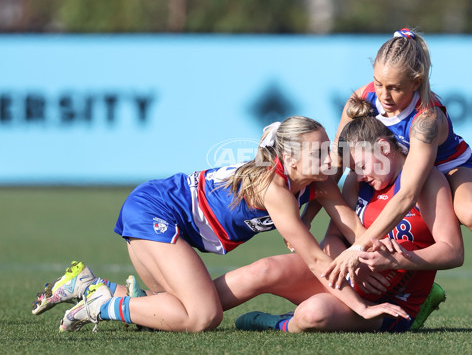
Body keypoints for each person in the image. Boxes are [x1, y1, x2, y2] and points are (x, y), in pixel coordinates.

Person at [31, 116, 405, 332]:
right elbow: (318, 262)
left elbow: (356, 230)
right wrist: (364, 308)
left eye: (329, 147)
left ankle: (89, 286)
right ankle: (101, 304)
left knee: (167, 310)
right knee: (202, 316)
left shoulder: (318, 180)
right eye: (318, 151)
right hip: (153, 211)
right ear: (289, 160)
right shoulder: (275, 188)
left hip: (161, 214)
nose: (330, 157)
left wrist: (383, 249)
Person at [317, 28, 472, 322]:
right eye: (379, 83)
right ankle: (422, 293)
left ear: (417, 81)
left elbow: (408, 194)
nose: (384, 96)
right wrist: (307, 215)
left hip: (450, 169)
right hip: (400, 169)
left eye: (395, 88)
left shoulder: (427, 119)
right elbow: (337, 158)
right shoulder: (363, 98)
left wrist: (358, 247)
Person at [220, 105, 464, 333]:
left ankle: (278, 323)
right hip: (348, 282)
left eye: (360, 166)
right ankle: (187, 303)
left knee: (312, 314)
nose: (357, 176)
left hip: (392, 302)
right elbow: (332, 240)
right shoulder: (357, 182)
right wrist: (354, 269)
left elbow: (453, 252)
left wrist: (396, 260)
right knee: (264, 270)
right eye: (352, 169)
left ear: (383, 148)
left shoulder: (427, 182)